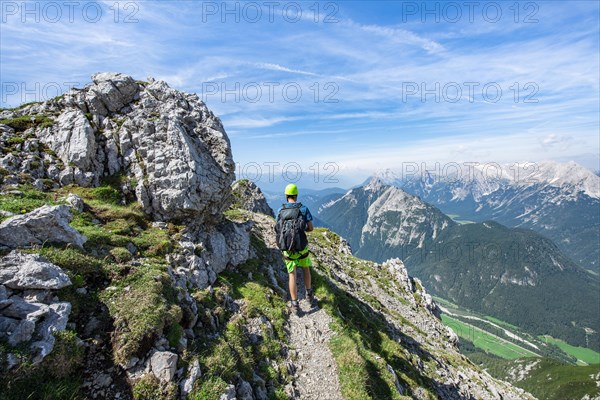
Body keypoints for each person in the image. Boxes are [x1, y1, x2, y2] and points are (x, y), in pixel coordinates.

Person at [276, 183, 315, 315]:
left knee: (291, 274)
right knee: (306, 268)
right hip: (301, 247)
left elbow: (278, 229)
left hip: (287, 249)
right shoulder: (303, 209)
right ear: (296, 195)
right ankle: (309, 295)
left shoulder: (280, 211)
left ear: (286, 196)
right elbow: (311, 228)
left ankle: (295, 303)